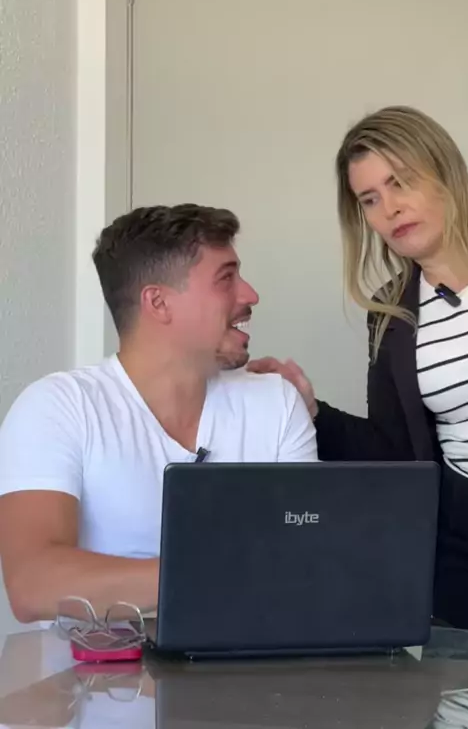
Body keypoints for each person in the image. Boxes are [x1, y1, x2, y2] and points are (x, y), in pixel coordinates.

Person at [0, 204, 317, 624]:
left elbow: (306, 567)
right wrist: (221, 574)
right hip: (92, 667)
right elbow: (33, 584)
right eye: (226, 278)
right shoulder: (58, 407)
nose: (249, 295)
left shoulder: (276, 403)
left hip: (251, 663)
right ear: (159, 302)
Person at [248, 105, 468, 631]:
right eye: (370, 199)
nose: (390, 209)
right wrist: (311, 411)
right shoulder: (392, 315)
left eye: (401, 182)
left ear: (445, 171)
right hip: (465, 553)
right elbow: (395, 452)